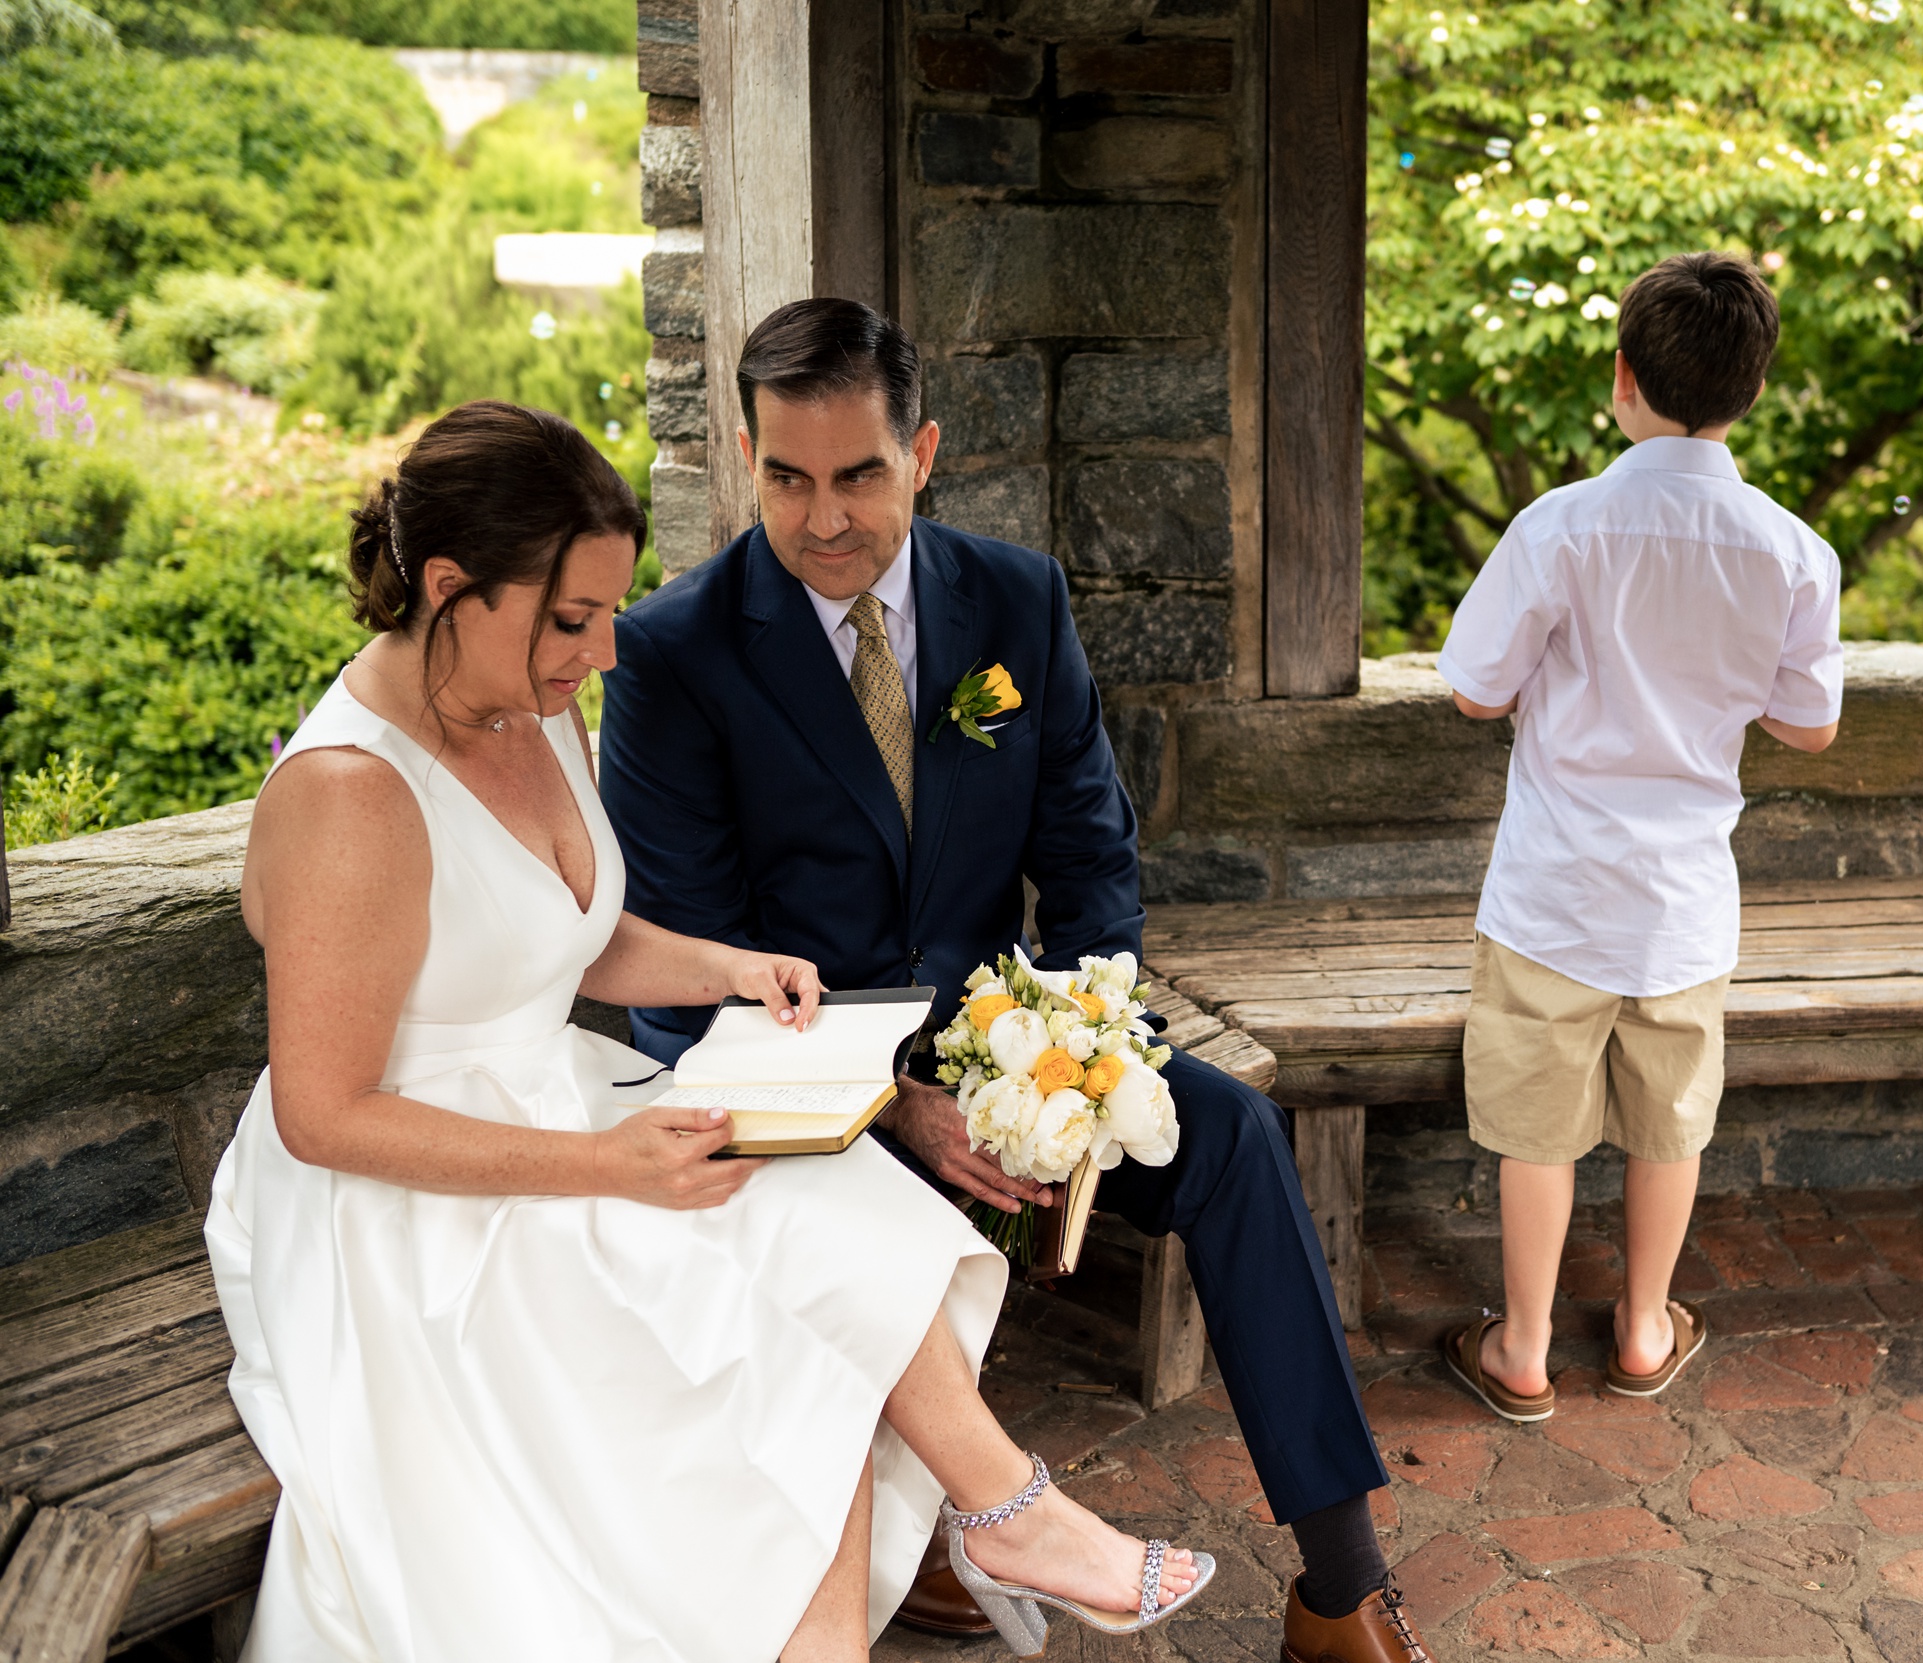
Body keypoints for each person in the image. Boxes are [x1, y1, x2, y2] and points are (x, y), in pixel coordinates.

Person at [205, 399, 1205, 1663]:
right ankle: (1004, 1520)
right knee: (768, 1366)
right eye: (573, 618)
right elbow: (326, 1114)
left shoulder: (532, 700)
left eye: (611, 611)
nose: (606, 651)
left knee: (838, 1215)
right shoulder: (350, 797)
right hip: (403, 1192)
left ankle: (1005, 1511)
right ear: (451, 587)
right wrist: (610, 1168)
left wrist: (730, 966)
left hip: (563, 1103)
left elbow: (565, 931)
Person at [598, 299, 1436, 1663]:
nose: (823, 517)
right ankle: (927, 1535)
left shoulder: (1018, 600)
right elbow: (685, 996)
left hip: (1013, 1053)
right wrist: (904, 1106)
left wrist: (1076, 1056)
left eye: (859, 474)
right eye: (789, 476)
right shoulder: (671, 656)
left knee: (1228, 1134)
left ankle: (1341, 1585)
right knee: (861, 1207)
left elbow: (1092, 862)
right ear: (747, 457)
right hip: (811, 1105)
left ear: (921, 451)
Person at [1433, 253, 1844, 1421]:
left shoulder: (1562, 525)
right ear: (1751, 390)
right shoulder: (1787, 548)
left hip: (1555, 891)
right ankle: (1645, 1326)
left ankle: (1520, 1346)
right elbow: (1809, 728)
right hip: (1683, 900)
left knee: (1536, 1128)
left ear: (1623, 376)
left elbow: (1473, 690)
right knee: (1670, 1123)